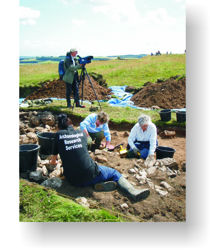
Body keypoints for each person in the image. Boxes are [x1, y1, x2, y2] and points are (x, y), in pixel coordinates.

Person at [49, 114, 150, 202]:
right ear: (72, 125)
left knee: (85, 173)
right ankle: (133, 191)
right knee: (114, 173)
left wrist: (52, 161)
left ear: (59, 128)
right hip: (89, 174)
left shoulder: (58, 135)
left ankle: (99, 185)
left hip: (72, 180)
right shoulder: (81, 133)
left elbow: (53, 162)